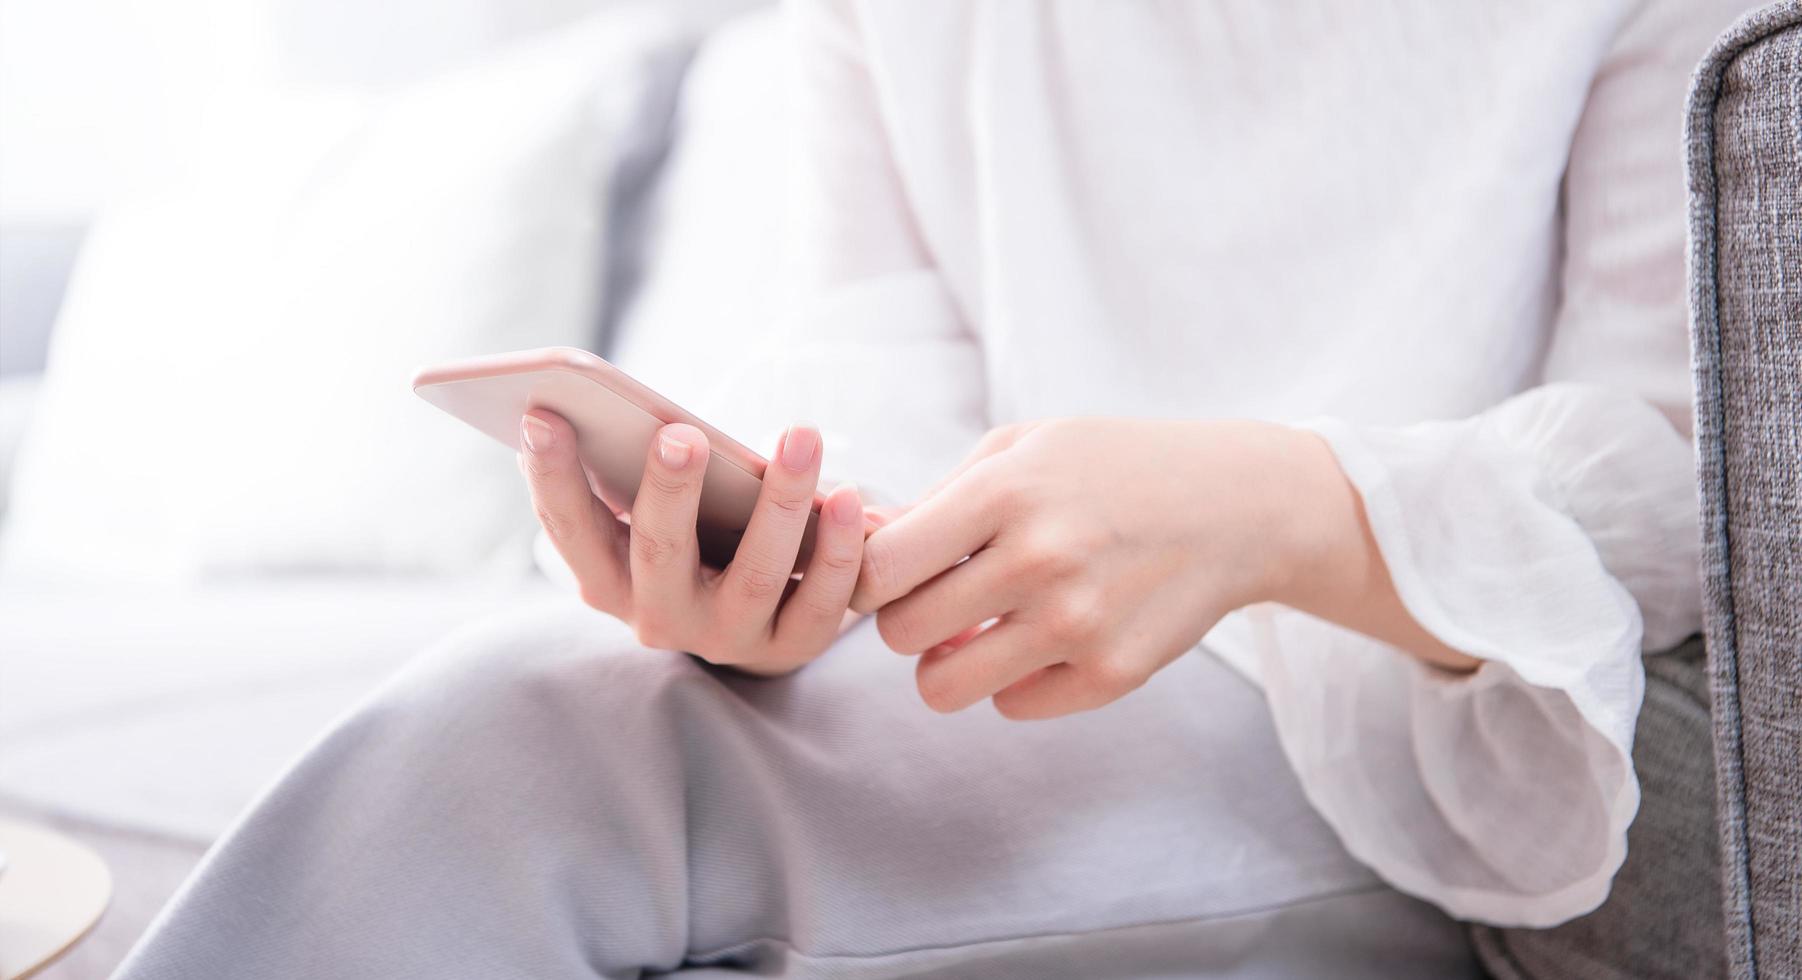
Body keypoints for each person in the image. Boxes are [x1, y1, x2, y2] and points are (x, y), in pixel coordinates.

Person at [115, 1, 1742, 977]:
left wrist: (1280, 508)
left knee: (521, 748)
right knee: (558, 709)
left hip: (1395, 710)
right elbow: (872, 348)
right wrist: (786, 563)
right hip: (979, 651)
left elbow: (1694, 481)